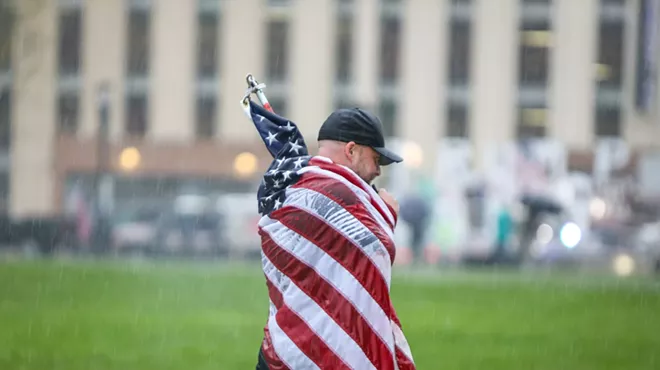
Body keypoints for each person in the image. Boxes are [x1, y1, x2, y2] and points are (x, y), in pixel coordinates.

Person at [242, 98, 416, 370]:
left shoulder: (292, 186)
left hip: (283, 352)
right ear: (352, 150)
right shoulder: (336, 195)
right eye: (376, 158)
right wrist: (386, 216)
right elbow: (378, 253)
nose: (379, 170)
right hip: (321, 356)